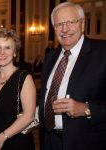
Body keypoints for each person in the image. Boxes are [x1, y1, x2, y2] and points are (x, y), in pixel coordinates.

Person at [39, 2, 106, 150]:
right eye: (59, 24)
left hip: (86, 142)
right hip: (49, 140)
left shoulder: (102, 53)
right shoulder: (50, 58)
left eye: (70, 22)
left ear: (82, 24)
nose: (64, 29)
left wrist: (86, 109)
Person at [0, 28, 36, 150]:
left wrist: (2, 137)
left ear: (15, 52)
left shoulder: (24, 77)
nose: (2, 52)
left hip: (17, 142)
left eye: (7, 48)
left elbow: (29, 115)